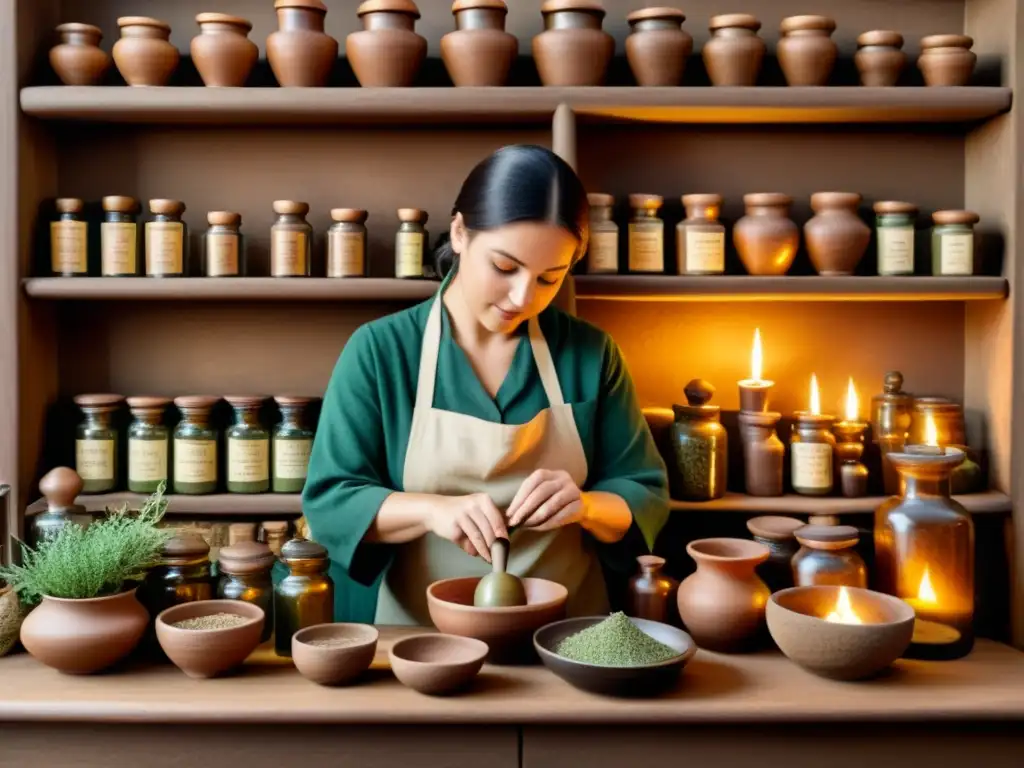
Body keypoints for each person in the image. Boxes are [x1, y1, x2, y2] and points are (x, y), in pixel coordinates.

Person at [301, 144, 670, 625]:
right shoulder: (380, 352)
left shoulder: (592, 354)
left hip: (568, 635)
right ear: (459, 233)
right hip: (420, 638)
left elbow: (643, 492)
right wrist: (433, 511)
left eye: (549, 279)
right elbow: (331, 501)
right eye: (504, 267)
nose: (522, 297)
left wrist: (586, 506)